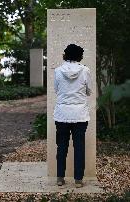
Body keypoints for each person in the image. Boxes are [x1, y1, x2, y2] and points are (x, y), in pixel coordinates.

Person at [53, 44, 92, 188]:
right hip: (80, 115)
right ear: (79, 56)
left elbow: (56, 90)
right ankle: (78, 180)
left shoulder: (57, 71)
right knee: (79, 146)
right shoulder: (85, 70)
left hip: (62, 114)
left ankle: (60, 178)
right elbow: (89, 90)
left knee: (61, 146)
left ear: (65, 55)